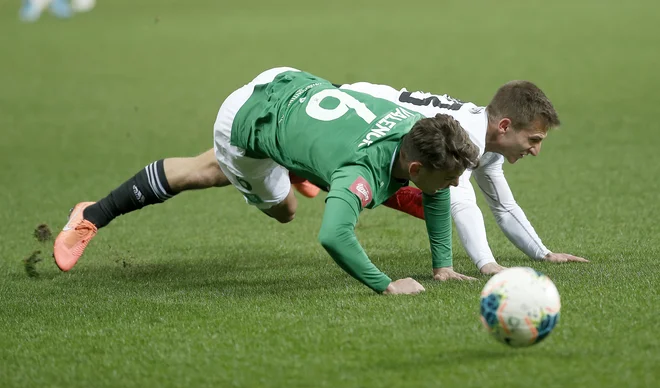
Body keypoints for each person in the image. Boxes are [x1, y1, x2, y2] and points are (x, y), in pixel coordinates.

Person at [53, 67, 481, 294]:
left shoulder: (417, 129)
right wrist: (386, 285)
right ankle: (92, 213)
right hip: (245, 121)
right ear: (416, 169)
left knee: (309, 172)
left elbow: (438, 191)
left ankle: (299, 164)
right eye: (447, 178)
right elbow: (333, 236)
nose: (452, 185)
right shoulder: (360, 170)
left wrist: (442, 266)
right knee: (279, 207)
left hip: (288, 81)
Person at [302, 81, 590, 274]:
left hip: (360, 116)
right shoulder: (466, 137)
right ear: (504, 126)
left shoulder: (484, 137)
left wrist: (543, 253)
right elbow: (463, 203)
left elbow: (503, 206)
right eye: (534, 139)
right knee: (281, 202)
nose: (536, 151)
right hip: (345, 107)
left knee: (425, 201)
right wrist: (487, 264)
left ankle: (305, 175)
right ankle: (302, 173)